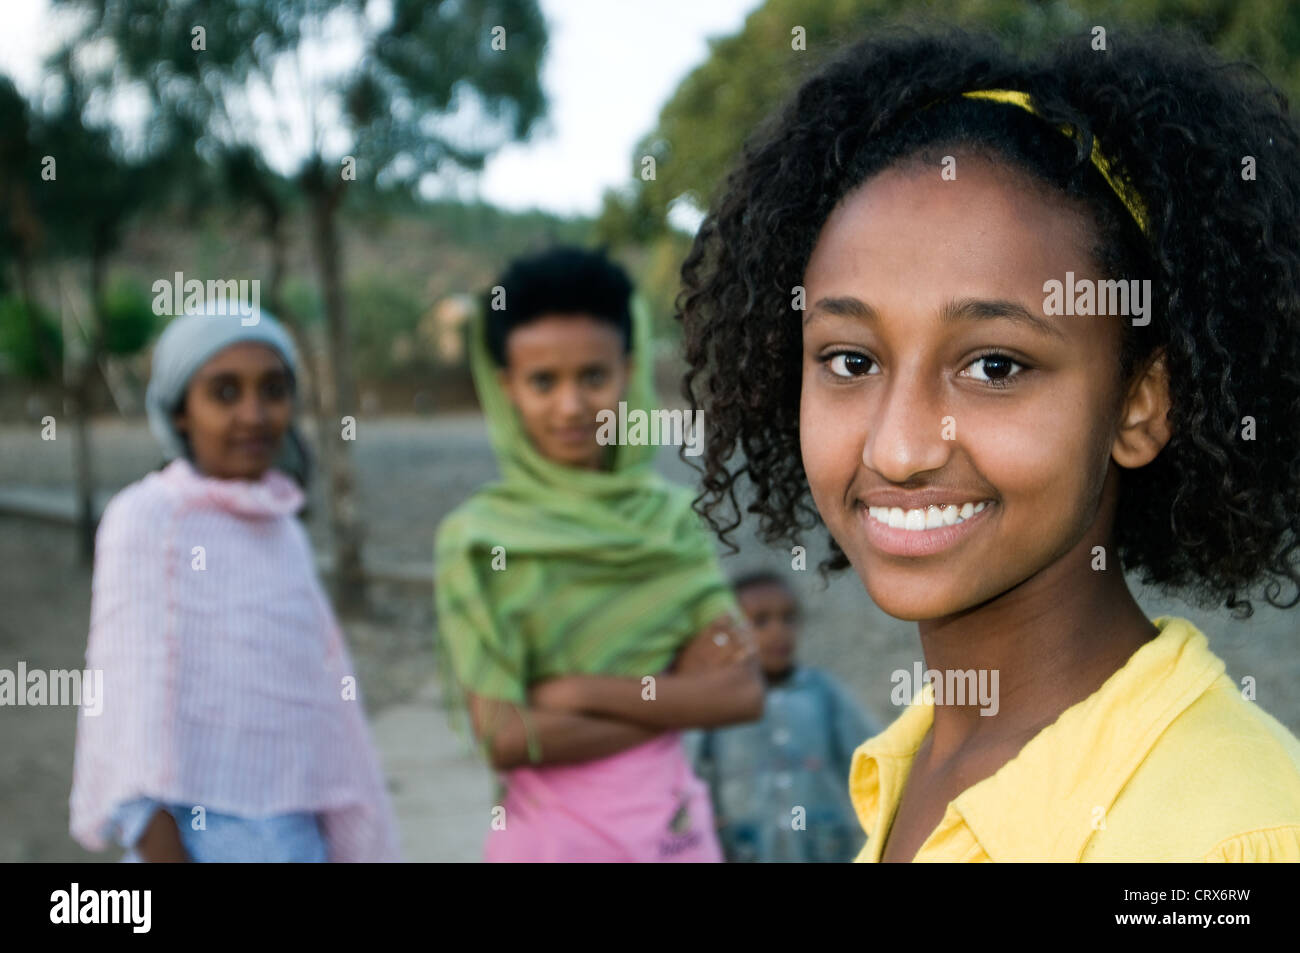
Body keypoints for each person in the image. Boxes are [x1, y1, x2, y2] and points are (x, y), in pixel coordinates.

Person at [677, 26, 1300, 862]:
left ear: (1141, 405)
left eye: (995, 365)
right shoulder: (910, 762)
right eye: (850, 359)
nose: (898, 449)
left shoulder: (1234, 838)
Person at [433, 246, 764, 862]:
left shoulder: (668, 521)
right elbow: (506, 736)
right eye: (542, 382)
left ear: (628, 373)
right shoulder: (479, 541)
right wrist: (670, 695)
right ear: (506, 388)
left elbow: (740, 694)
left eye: (593, 376)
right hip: (549, 841)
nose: (570, 406)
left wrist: (575, 692)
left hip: (672, 835)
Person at [69, 305, 400, 862]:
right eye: (224, 393)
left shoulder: (281, 525)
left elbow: (321, 709)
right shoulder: (147, 518)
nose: (255, 414)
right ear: (180, 412)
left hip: (298, 841)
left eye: (273, 390)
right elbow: (127, 713)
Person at [685, 572, 877, 862]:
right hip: (746, 849)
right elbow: (688, 771)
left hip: (823, 850)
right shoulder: (717, 702)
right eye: (760, 621)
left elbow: (873, 756)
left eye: (788, 619)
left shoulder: (822, 693)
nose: (778, 631)